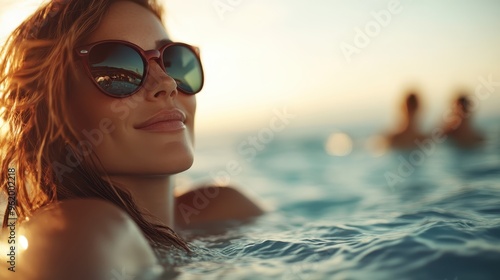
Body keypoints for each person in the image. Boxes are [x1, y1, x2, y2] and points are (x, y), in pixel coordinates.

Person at [0, 1, 263, 279]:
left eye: (172, 60)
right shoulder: (81, 232)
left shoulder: (224, 210)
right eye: (118, 68)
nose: (167, 83)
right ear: (48, 109)